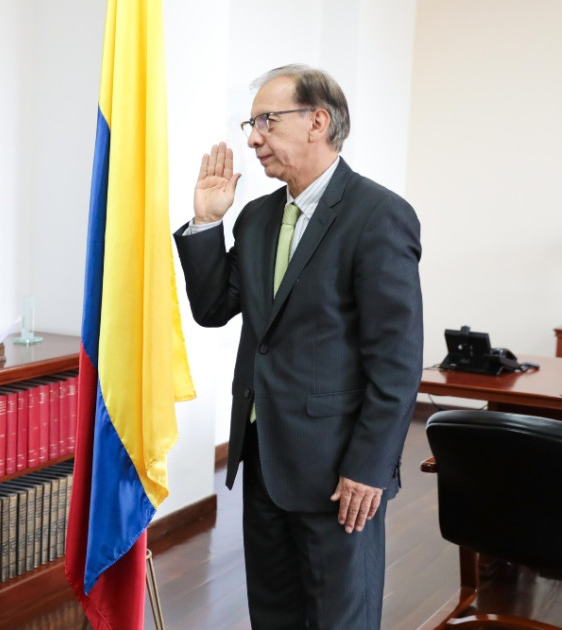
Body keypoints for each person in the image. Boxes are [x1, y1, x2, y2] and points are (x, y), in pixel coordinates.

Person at [174, 65, 423, 629]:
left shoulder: (378, 215)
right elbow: (214, 309)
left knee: (340, 618)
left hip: (340, 472)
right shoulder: (258, 217)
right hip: (264, 457)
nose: (253, 136)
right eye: (251, 122)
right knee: (274, 614)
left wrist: (369, 467)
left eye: (266, 120)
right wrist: (207, 223)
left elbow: (398, 361)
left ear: (318, 121)